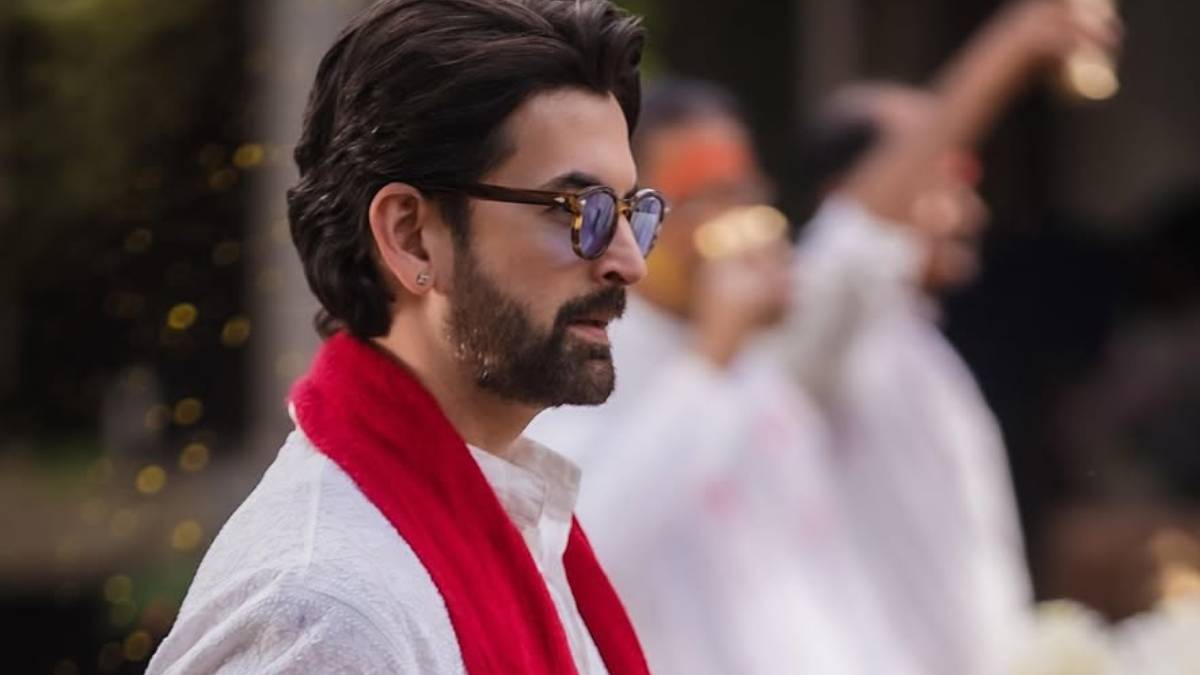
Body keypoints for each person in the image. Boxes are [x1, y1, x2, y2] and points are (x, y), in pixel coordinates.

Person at [527, 1, 1119, 673]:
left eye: (742, 191)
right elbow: (593, 539)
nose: (735, 221)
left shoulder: (770, 349)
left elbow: (855, 245)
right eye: (702, 197)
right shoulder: (585, 362)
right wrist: (711, 359)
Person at [147, 1, 666, 673]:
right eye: (579, 211)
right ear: (411, 235)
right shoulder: (326, 613)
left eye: (629, 212)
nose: (629, 261)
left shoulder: (515, 521)